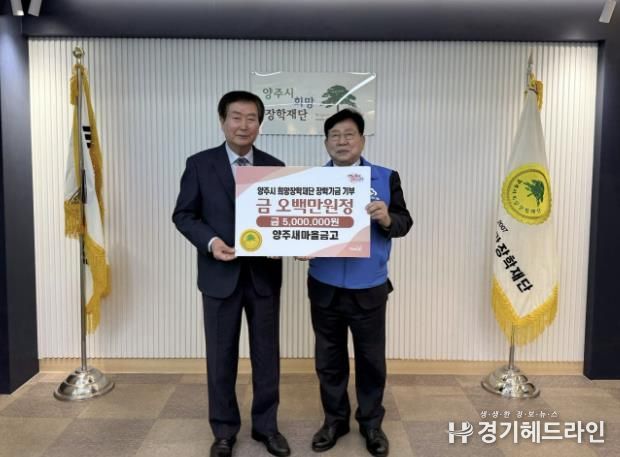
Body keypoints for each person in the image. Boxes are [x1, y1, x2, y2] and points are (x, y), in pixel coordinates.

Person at [172, 91, 290, 457]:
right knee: (220, 356)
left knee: (266, 356)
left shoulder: (275, 166)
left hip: (263, 277)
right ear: (222, 121)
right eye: (236, 117)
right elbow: (184, 215)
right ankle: (223, 430)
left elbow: (283, 219)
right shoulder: (199, 164)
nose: (243, 125)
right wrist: (211, 242)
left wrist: (287, 240)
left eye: (251, 118)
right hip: (218, 275)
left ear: (260, 124)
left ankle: (266, 427)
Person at [303, 109, 412, 457]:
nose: (342, 141)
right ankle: (335, 421)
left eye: (349, 134)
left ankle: (371, 423)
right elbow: (298, 227)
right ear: (326, 143)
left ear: (362, 140)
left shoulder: (385, 177)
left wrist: (387, 218)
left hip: (369, 287)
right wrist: (298, 244)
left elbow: (404, 222)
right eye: (334, 135)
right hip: (325, 285)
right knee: (329, 360)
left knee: (371, 360)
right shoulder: (309, 181)